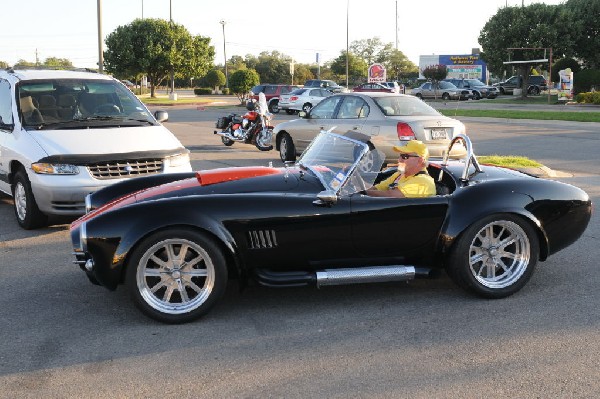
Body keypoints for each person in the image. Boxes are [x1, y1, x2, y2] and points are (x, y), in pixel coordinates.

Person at [365, 140, 435, 198]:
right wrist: (359, 190)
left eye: (405, 156)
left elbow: (391, 195)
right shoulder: (399, 174)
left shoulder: (423, 181)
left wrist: (363, 193)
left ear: (420, 160)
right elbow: (377, 188)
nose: (399, 160)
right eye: (400, 156)